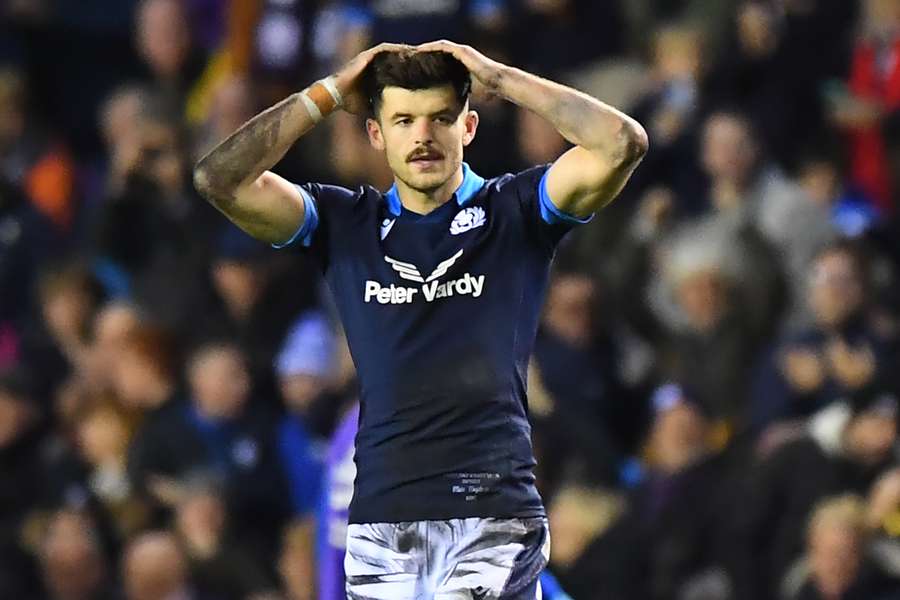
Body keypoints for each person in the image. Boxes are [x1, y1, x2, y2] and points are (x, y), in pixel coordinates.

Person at [194, 41, 647, 599]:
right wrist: (329, 93)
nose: (423, 136)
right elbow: (218, 179)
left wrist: (499, 77)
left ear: (470, 127)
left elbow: (621, 143)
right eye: (403, 120)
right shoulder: (345, 224)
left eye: (440, 118)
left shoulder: (517, 211)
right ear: (376, 135)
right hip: (382, 523)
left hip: (491, 515)